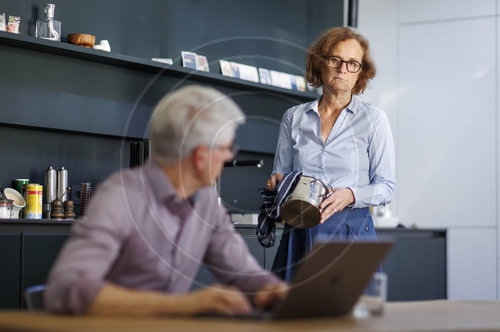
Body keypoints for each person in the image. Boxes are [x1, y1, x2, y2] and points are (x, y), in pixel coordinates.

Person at [45, 85, 287, 316]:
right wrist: (184, 306)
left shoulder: (206, 204)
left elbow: (243, 273)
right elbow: (67, 289)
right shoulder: (121, 195)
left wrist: (274, 291)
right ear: (200, 157)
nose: (228, 156)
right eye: (226, 148)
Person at [266, 27, 396, 281]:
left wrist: (350, 194)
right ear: (320, 63)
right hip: (299, 232)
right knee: (294, 316)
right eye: (335, 60)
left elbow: (387, 187)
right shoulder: (294, 117)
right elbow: (280, 173)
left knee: (352, 317)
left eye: (352, 63)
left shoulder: (375, 120)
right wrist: (276, 183)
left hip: (351, 232)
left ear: (361, 73)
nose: (342, 69)